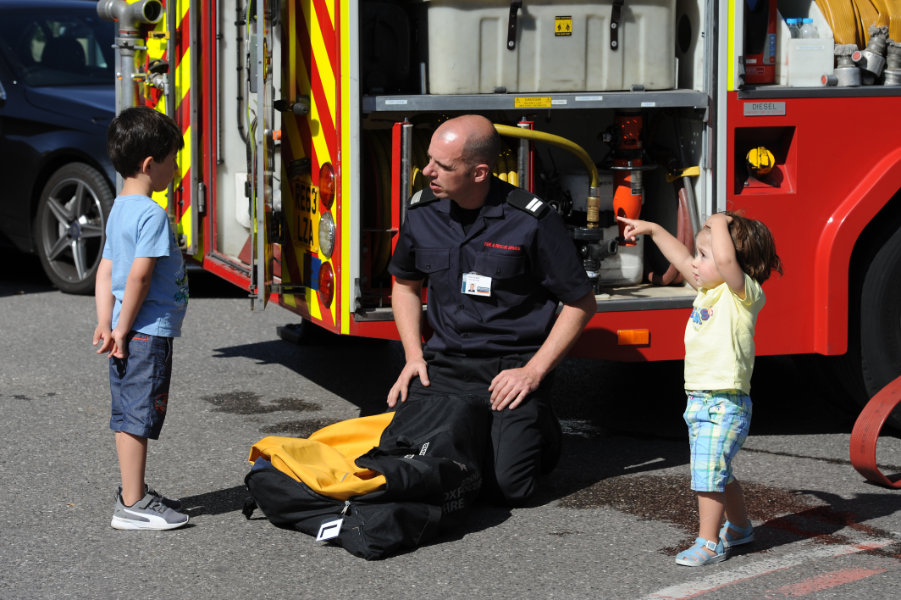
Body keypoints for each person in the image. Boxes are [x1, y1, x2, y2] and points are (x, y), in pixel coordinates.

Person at [387, 114, 597, 505]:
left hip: (510, 367)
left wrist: (532, 374)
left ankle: (541, 425)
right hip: (445, 364)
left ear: (479, 172)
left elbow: (581, 303)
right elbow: (405, 285)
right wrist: (413, 356)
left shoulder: (531, 221)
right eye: (429, 159)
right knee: (406, 461)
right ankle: (487, 431)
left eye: (443, 166)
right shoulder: (422, 212)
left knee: (511, 489)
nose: (427, 171)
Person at [617, 211, 782, 566]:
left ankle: (710, 543)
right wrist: (656, 230)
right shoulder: (709, 292)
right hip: (701, 401)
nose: (696, 263)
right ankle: (739, 528)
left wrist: (719, 221)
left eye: (705, 256)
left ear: (734, 263)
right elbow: (683, 259)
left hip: (724, 403)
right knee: (718, 471)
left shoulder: (742, 295)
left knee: (707, 475)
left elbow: (723, 258)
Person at [93, 106, 190, 530]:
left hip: (126, 330)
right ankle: (132, 504)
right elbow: (140, 275)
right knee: (137, 415)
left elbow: (106, 270)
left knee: (129, 413)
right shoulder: (151, 213)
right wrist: (122, 327)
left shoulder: (120, 208)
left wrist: (105, 321)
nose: (176, 168)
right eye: (172, 160)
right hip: (144, 333)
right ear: (150, 165)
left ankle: (134, 494)